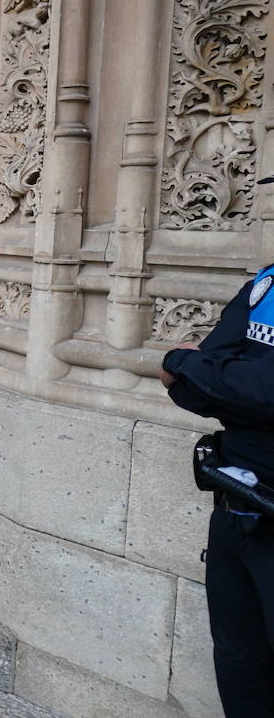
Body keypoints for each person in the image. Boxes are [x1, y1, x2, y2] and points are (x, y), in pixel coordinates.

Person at [161, 216, 274, 715]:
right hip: (235, 504)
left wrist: (190, 367)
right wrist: (197, 370)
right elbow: (195, 382)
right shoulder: (265, 285)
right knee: (238, 662)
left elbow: (260, 389)